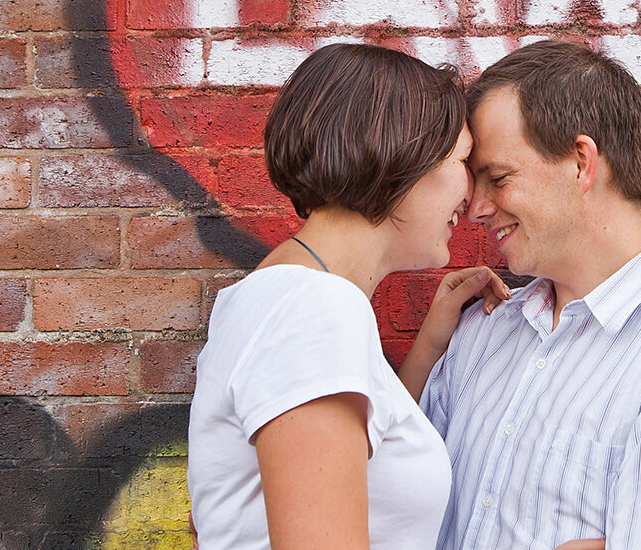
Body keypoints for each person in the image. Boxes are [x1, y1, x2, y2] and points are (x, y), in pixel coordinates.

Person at [404, 40, 641, 550]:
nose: (476, 209)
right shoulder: (483, 329)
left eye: (499, 178)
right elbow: (393, 507)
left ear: (581, 162)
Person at [186, 42, 506, 550]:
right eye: (463, 161)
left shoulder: (284, 298)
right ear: (401, 156)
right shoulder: (313, 311)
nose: (471, 194)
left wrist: (426, 348)